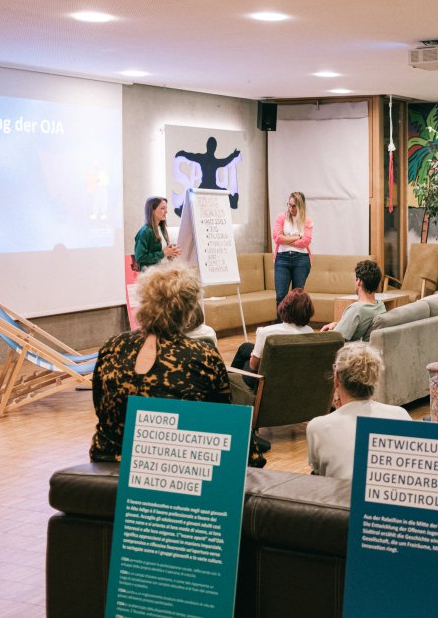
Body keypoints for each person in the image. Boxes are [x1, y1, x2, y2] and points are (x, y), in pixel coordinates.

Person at [89, 263, 265, 467]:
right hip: (169, 466)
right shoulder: (202, 355)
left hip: (108, 459)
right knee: (247, 445)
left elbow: (100, 406)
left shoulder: (112, 346)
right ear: (188, 311)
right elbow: (222, 419)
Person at [307, 343, 412, 480]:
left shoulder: (318, 426)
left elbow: (319, 473)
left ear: (336, 378)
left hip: (341, 493)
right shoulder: (400, 415)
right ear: (374, 377)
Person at [231, 288, 314, 373]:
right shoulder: (310, 332)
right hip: (294, 373)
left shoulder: (267, 332)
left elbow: (253, 366)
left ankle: (230, 378)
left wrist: (254, 352)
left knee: (246, 361)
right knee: (245, 347)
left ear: (285, 308)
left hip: (267, 378)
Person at [321, 260, 384, 341]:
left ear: (359, 281)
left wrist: (326, 334)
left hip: (349, 347)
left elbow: (336, 339)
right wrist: (338, 325)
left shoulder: (357, 309)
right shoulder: (380, 305)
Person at [272, 191, 313, 307]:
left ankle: (296, 320)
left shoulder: (307, 220)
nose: (290, 208)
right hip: (282, 258)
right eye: (289, 205)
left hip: (301, 259)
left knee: (297, 298)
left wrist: (286, 239)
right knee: (281, 296)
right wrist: (298, 236)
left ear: (300, 206)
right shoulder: (281, 217)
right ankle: (281, 320)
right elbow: (277, 238)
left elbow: (305, 241)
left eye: (294, 206)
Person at [133, 196, 180, 270]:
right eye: (162, 208)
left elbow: (162, 254)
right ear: (152, 210)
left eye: (166, 208)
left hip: (164, 272)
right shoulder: (145, 232)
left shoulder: (162, 229)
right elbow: (140, 257)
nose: (166, 211)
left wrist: (171, 252)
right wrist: (163, 253)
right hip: (152, 275)